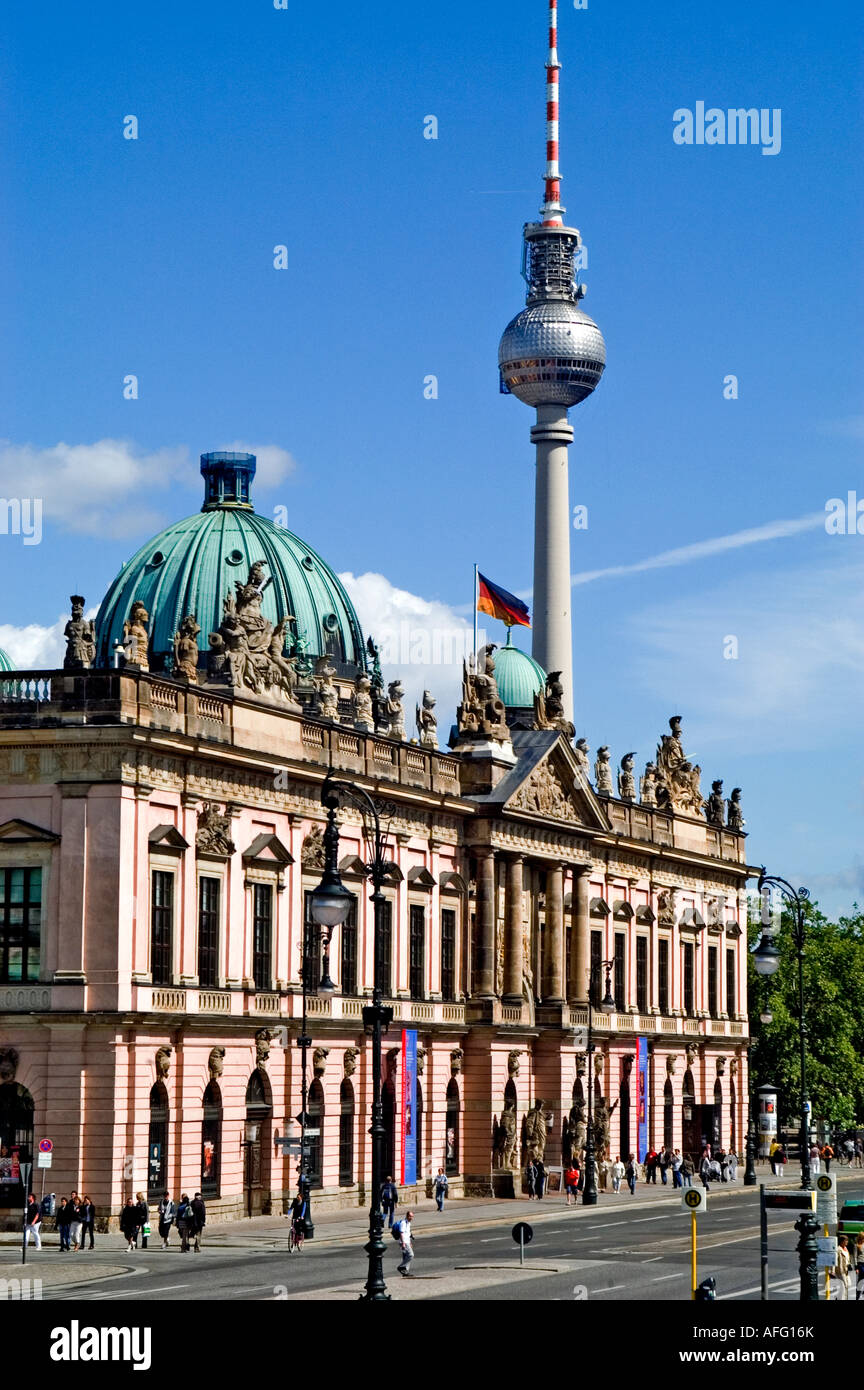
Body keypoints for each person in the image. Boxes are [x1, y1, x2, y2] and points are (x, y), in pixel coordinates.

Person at [394, 1208, 415, 1277]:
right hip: (404, 1242)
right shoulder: (403, 1223)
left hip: (407, 1242)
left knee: (406, 1256)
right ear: (407, 1216)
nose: (411, 1218)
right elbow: (401, 1233)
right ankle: (401, 1267)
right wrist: (403, 1243)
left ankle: (405, 1272)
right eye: (410, 1216)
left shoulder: (408, 1223)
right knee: (411, 1255)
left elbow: (408, 1234)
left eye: (412, 1216)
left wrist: (410, 1242)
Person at [835, 1235, 851, 1301]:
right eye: (846, 1240)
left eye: (847, 1240)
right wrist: (832, 1271)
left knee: (848, 1284)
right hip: (841, 1270)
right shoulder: (838, 1249)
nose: (847, 1242)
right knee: (844, 1286)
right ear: (842, 1241)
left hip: (846, 1270)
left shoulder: (846, 1249)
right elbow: (835, 1260)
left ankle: (837, 1297)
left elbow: (847, 1259)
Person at [855, 1233, 864, 1301]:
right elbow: (855, 1257)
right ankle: (858, 1295)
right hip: (860, 1264)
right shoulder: (856, 1245)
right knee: (861, 1280)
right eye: (862, 1238)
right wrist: (856, 1267)